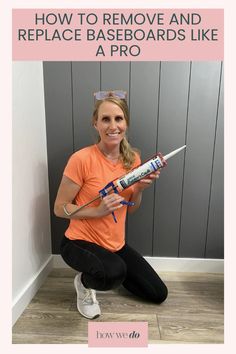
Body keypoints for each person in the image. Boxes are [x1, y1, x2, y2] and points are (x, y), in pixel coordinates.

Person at [54, 90, 168, 320]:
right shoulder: (81, 159)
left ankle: (110, 270)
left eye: (118, 118)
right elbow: (59, 208)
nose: (112, 125)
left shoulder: (133, 160)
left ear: (126, 123)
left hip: (115, 244)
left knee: (158, 293)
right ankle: (85, 283)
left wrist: (139, 190)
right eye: (105, 119)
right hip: (79, 242)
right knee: (114, 273)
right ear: (95, 123)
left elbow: (131, 208)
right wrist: (97, 211)